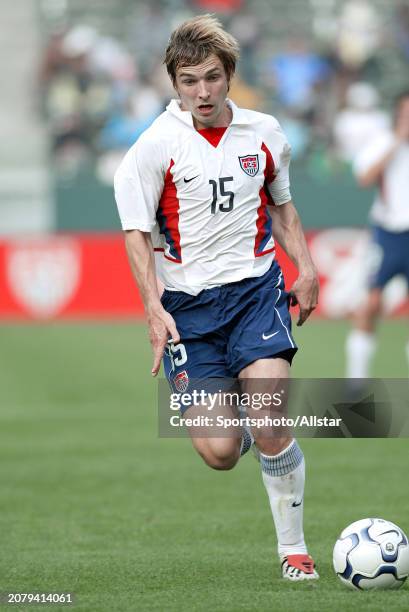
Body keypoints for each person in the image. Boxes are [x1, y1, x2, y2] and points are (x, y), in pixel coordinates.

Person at [114, 15, 319, 581]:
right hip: (189, 311)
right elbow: (136, 232)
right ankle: (247, 432)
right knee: (220, 452)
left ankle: (294, 550)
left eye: (211, 77)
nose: (202, 92)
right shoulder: (153, 148)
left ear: (230, 74)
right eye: (188, 81)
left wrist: (304, 266)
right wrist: (153, 308)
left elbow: (280, 205)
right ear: (174, 84)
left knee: (272, 415)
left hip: (256, 293)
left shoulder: (266, 133)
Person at [346, 90, 409, 378]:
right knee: (371, 303)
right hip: (387, 233)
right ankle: (356, 379)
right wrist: (398, 140)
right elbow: (364, 177)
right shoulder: (384, 141)